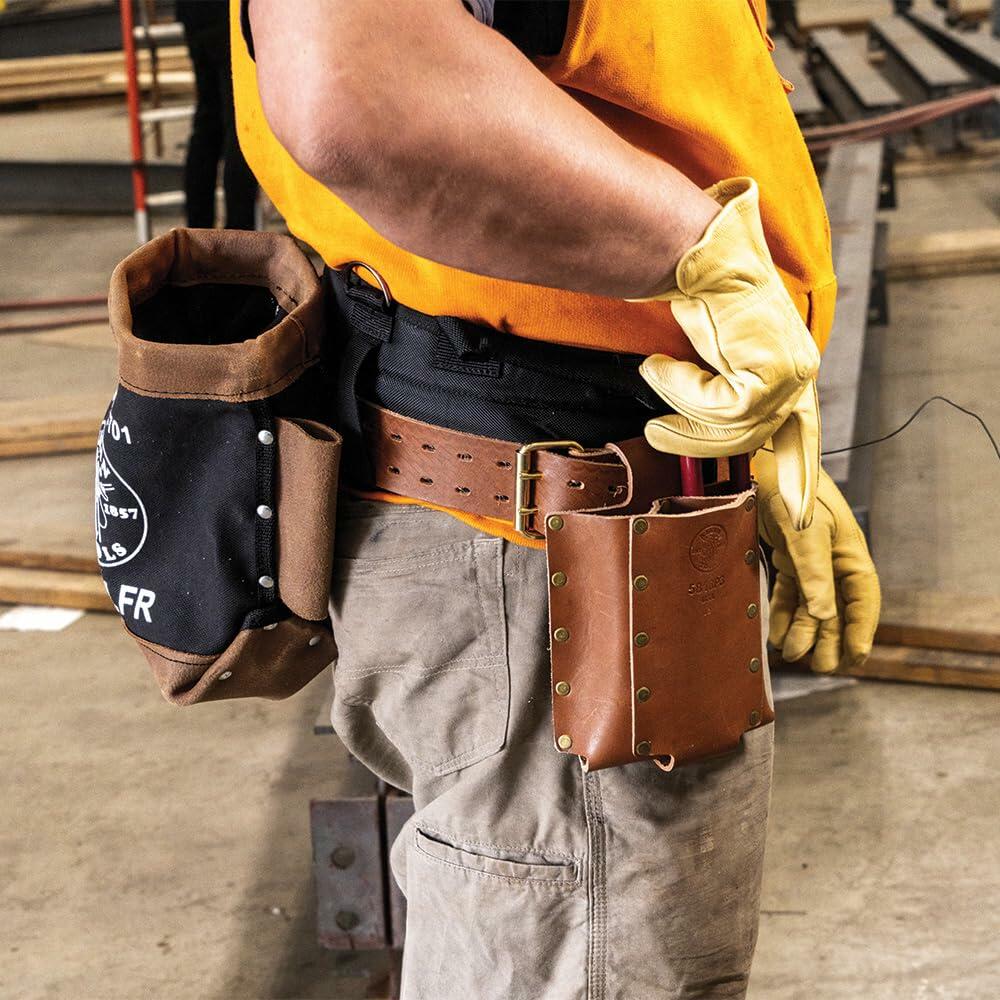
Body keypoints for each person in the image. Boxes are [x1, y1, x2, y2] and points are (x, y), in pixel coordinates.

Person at [230, 1, 882, 997]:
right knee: (589, 955)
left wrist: (733, 417)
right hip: (552, 532)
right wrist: (705, 268)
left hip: (594, 495)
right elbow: (354, 91)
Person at [176, 0, 257, 229]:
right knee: (240, 126)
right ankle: (240, 239)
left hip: (196, 14)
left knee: (208, 121)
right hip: (227, 15)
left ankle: (197, 234)